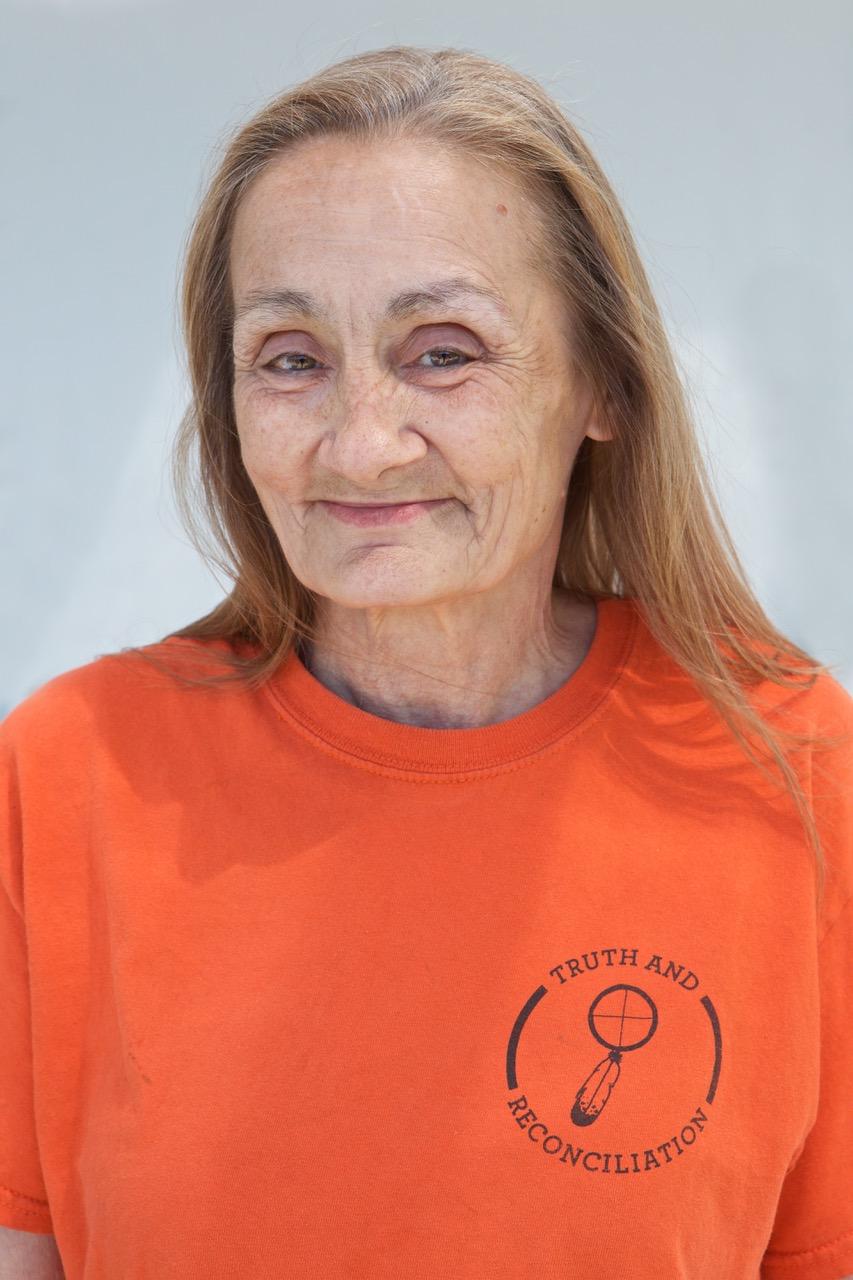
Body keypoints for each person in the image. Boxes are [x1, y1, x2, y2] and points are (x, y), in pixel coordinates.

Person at [1, 44, 851, 1280]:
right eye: (290, 357)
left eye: (441, 349)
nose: (362, 442)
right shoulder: (68, 772)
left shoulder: (795, 764)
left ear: (602, 384)